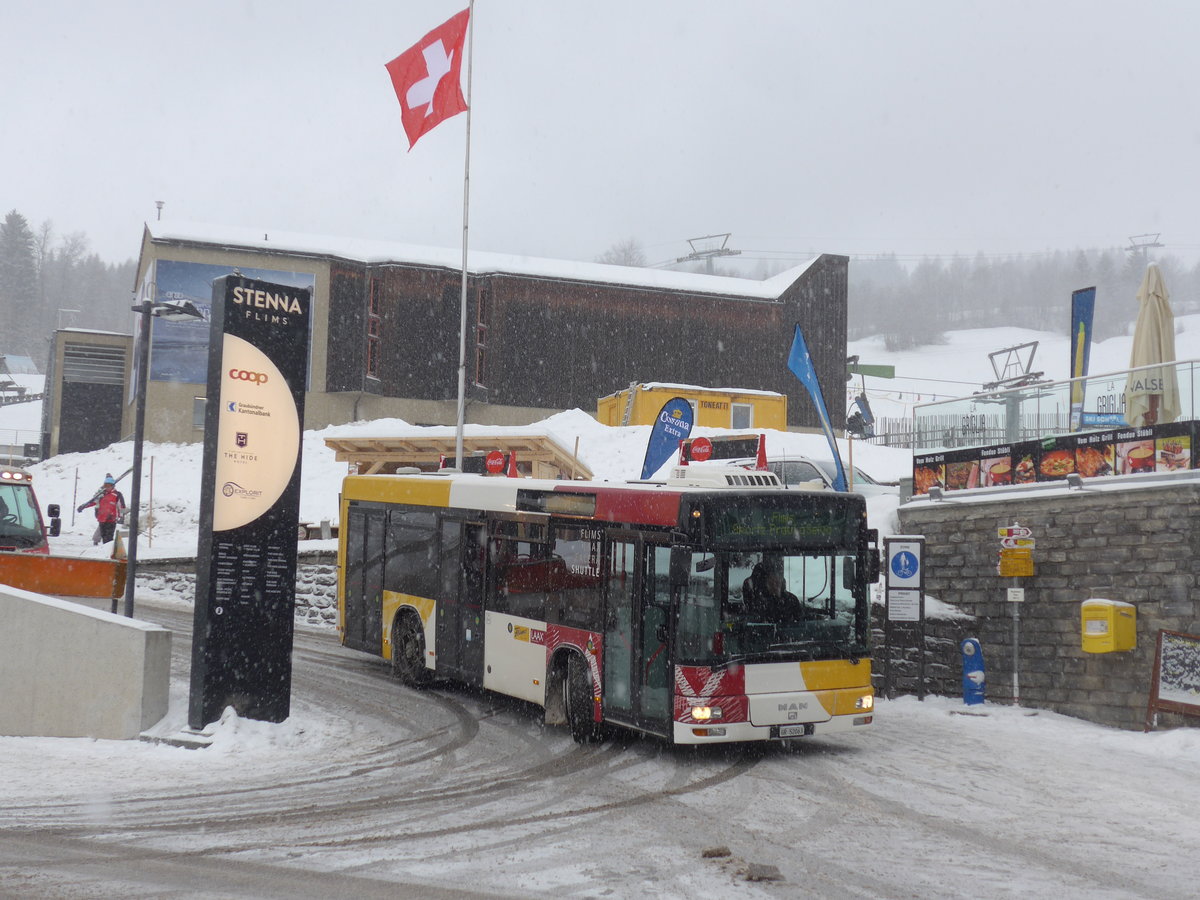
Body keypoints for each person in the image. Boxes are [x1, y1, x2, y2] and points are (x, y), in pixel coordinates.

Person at [78, 474, 126, 545]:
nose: (106, 487)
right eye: (105, 485)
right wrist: (83, 506)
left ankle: (107, 552)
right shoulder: (101, 495)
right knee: (104, 537)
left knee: (108, 539)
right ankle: (103, 550)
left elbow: (122, 506)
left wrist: (120, 516)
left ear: (112, 486)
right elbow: (93, 502)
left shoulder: (117, 495)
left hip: (111, 520)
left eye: (108, 486)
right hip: (102, 519)